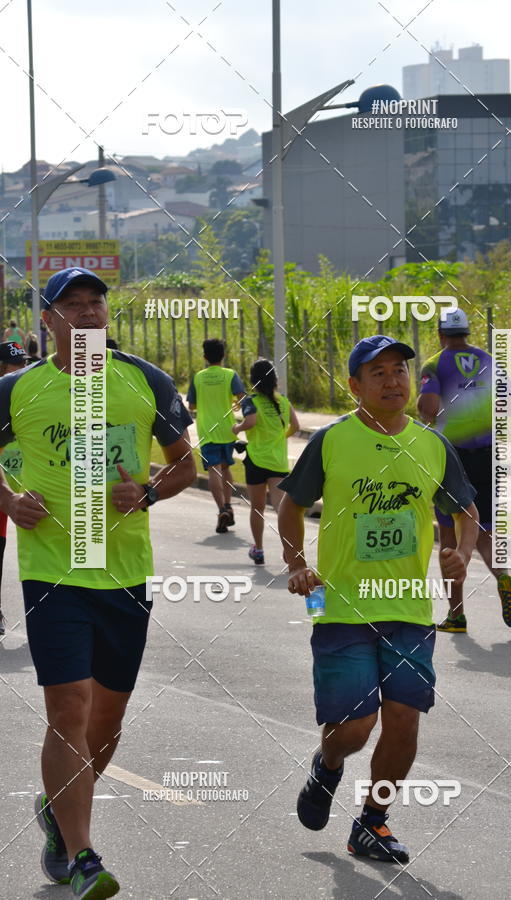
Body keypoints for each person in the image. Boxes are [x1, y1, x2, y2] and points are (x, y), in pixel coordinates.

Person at [0, 266, 196, 898]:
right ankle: (84, 855)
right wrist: (7, 498)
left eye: (95, 303)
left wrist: (147, 492)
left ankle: (57, 818)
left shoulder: (144, 381)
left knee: (106, 722)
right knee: (69, 709)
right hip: (53, 571)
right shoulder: (17, 389)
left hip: (124, 572)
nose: (86, 313)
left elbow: (184, 465)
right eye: (71, 305)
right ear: (48, 320)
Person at [278, 334, 479, 863]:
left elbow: (466, 513)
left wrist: (462, 552)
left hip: (410, 608)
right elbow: (290, 506)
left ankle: (372, 822)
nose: (394, 381)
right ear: (355, 386)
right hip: (340, 605)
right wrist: (297, 564)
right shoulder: (333, 440)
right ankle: (328, 764)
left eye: (400, 371)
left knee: (405, 722)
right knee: (353, 730)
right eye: (379, 373)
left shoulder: (433, 445)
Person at [417, 308, 511, 633]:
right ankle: (503, 576)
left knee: (449, 535)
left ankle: (457, 614)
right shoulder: (489, 360)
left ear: (440, 334)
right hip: (489, 453)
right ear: (467, 332)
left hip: (454, 457)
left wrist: (431, 414)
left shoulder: (434, 364)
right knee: (484, 529)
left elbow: (429, 408)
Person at [232, 358, 299, 564]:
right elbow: (295, 426)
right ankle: (289, 550)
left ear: (253, 380)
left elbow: (250, 422)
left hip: (256, 460)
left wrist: (237, 429)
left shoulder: (251, 401)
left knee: (257, 507)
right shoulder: (284, 401)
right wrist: (280, 437)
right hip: (278, 462)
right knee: (281, 507)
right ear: (275, 380)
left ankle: (259, 549)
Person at [186, 338, 245, 533]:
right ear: (224, 355)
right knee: (226, 468)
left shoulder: (198, 377)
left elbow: (192, 405)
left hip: (207, 430)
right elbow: (242, 398)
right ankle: (228, 504)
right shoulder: (230, 375)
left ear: (204, 357)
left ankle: (221, 509)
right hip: (227, 429)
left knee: (213, 469)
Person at [0, 341, 29, 635]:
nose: (22, 370)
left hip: (30, 487)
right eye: (15, 365)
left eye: (24, 364)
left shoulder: (36, 393)